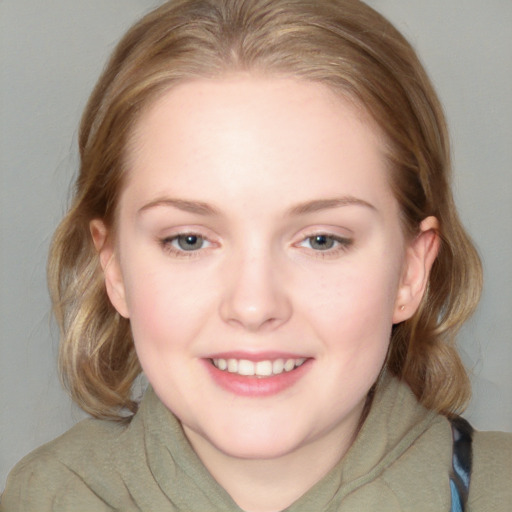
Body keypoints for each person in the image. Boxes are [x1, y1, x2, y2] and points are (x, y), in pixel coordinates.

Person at [1, 0, 510, 510]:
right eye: (189, 240)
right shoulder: (46, 497)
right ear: (114, 268)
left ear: (410, 271)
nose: (253, 305)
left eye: (321, 240)